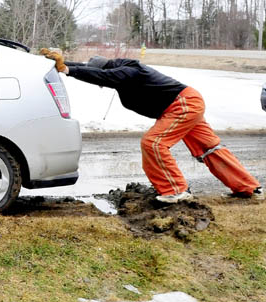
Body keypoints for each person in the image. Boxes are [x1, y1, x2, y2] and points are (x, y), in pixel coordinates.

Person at [41, 49, 263, 203]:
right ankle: (247, 188)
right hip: (183, 104)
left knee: (153, 143)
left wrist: (69, 70)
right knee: (210, 148)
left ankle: (175, 191)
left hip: (182, 104)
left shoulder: (129, 70)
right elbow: (97, 72)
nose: (102, 84)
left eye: (103, 80)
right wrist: (63, 66)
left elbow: (103, 74)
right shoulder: (120, 72)